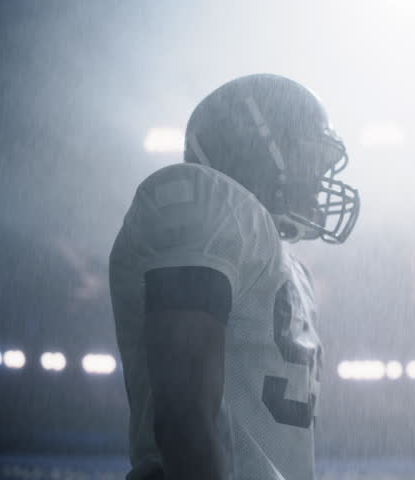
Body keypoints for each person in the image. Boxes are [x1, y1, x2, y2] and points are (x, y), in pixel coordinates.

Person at [109, 74, 360, 480]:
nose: (318, 180)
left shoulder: (293, 268)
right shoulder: (204, 195)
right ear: (251, 144)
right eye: (310, 159)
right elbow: (184, 417)